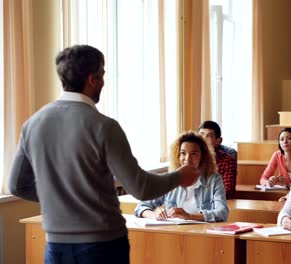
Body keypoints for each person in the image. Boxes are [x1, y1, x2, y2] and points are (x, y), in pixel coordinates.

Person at [8, 45, 199, 264]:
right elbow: (141, 188)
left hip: (55, 246)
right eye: (103, 75)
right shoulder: (103, 127)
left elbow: (17, 185)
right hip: (102, 246)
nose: (104, 81)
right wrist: (180, 176)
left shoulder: (33, 124)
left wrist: (61, 198)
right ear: (92, 79)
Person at [134, 131, 229, 222]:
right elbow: (141, 206)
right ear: (178, 156)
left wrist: (189, 216)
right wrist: (155, 214)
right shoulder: (169, 179)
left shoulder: (214, 180)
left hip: (202, 234)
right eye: (183, 153)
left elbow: (222, 213)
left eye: (194, 154)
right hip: (175, 233)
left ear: (202, 157)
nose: (187, 158)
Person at [198, 120, 237, 199]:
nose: (203, 139)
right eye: (201, 135)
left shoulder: (227, 161)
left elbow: (228, 190)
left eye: (209, 136)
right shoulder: (191, 158)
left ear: (218, 141)